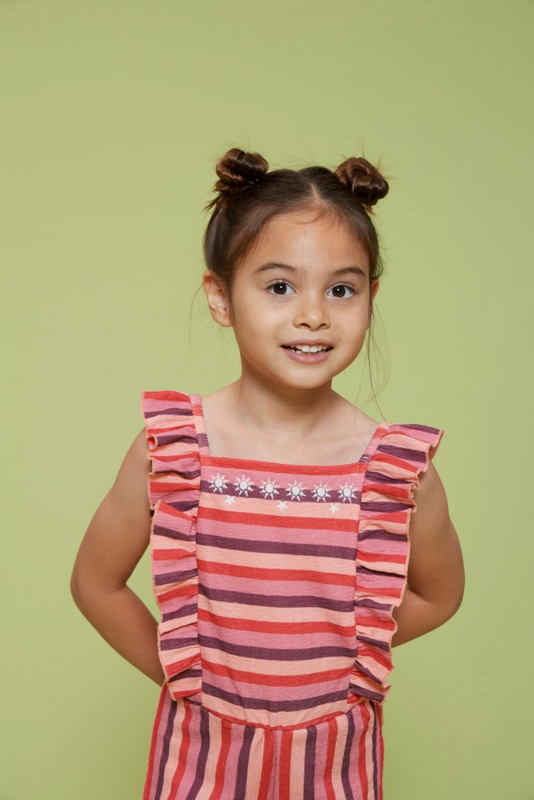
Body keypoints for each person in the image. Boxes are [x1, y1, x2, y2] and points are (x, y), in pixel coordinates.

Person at [70, 147, 465, 799]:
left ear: (372, 297)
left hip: (333, 762)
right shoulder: (174, 449)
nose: (313, 315)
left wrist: (345, 653)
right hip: (202, 759)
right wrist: (182, 675)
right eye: (280, 287)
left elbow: (439, 595)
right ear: (221, 297)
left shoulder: (393, 469)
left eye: (341, 289)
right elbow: (95, 582)